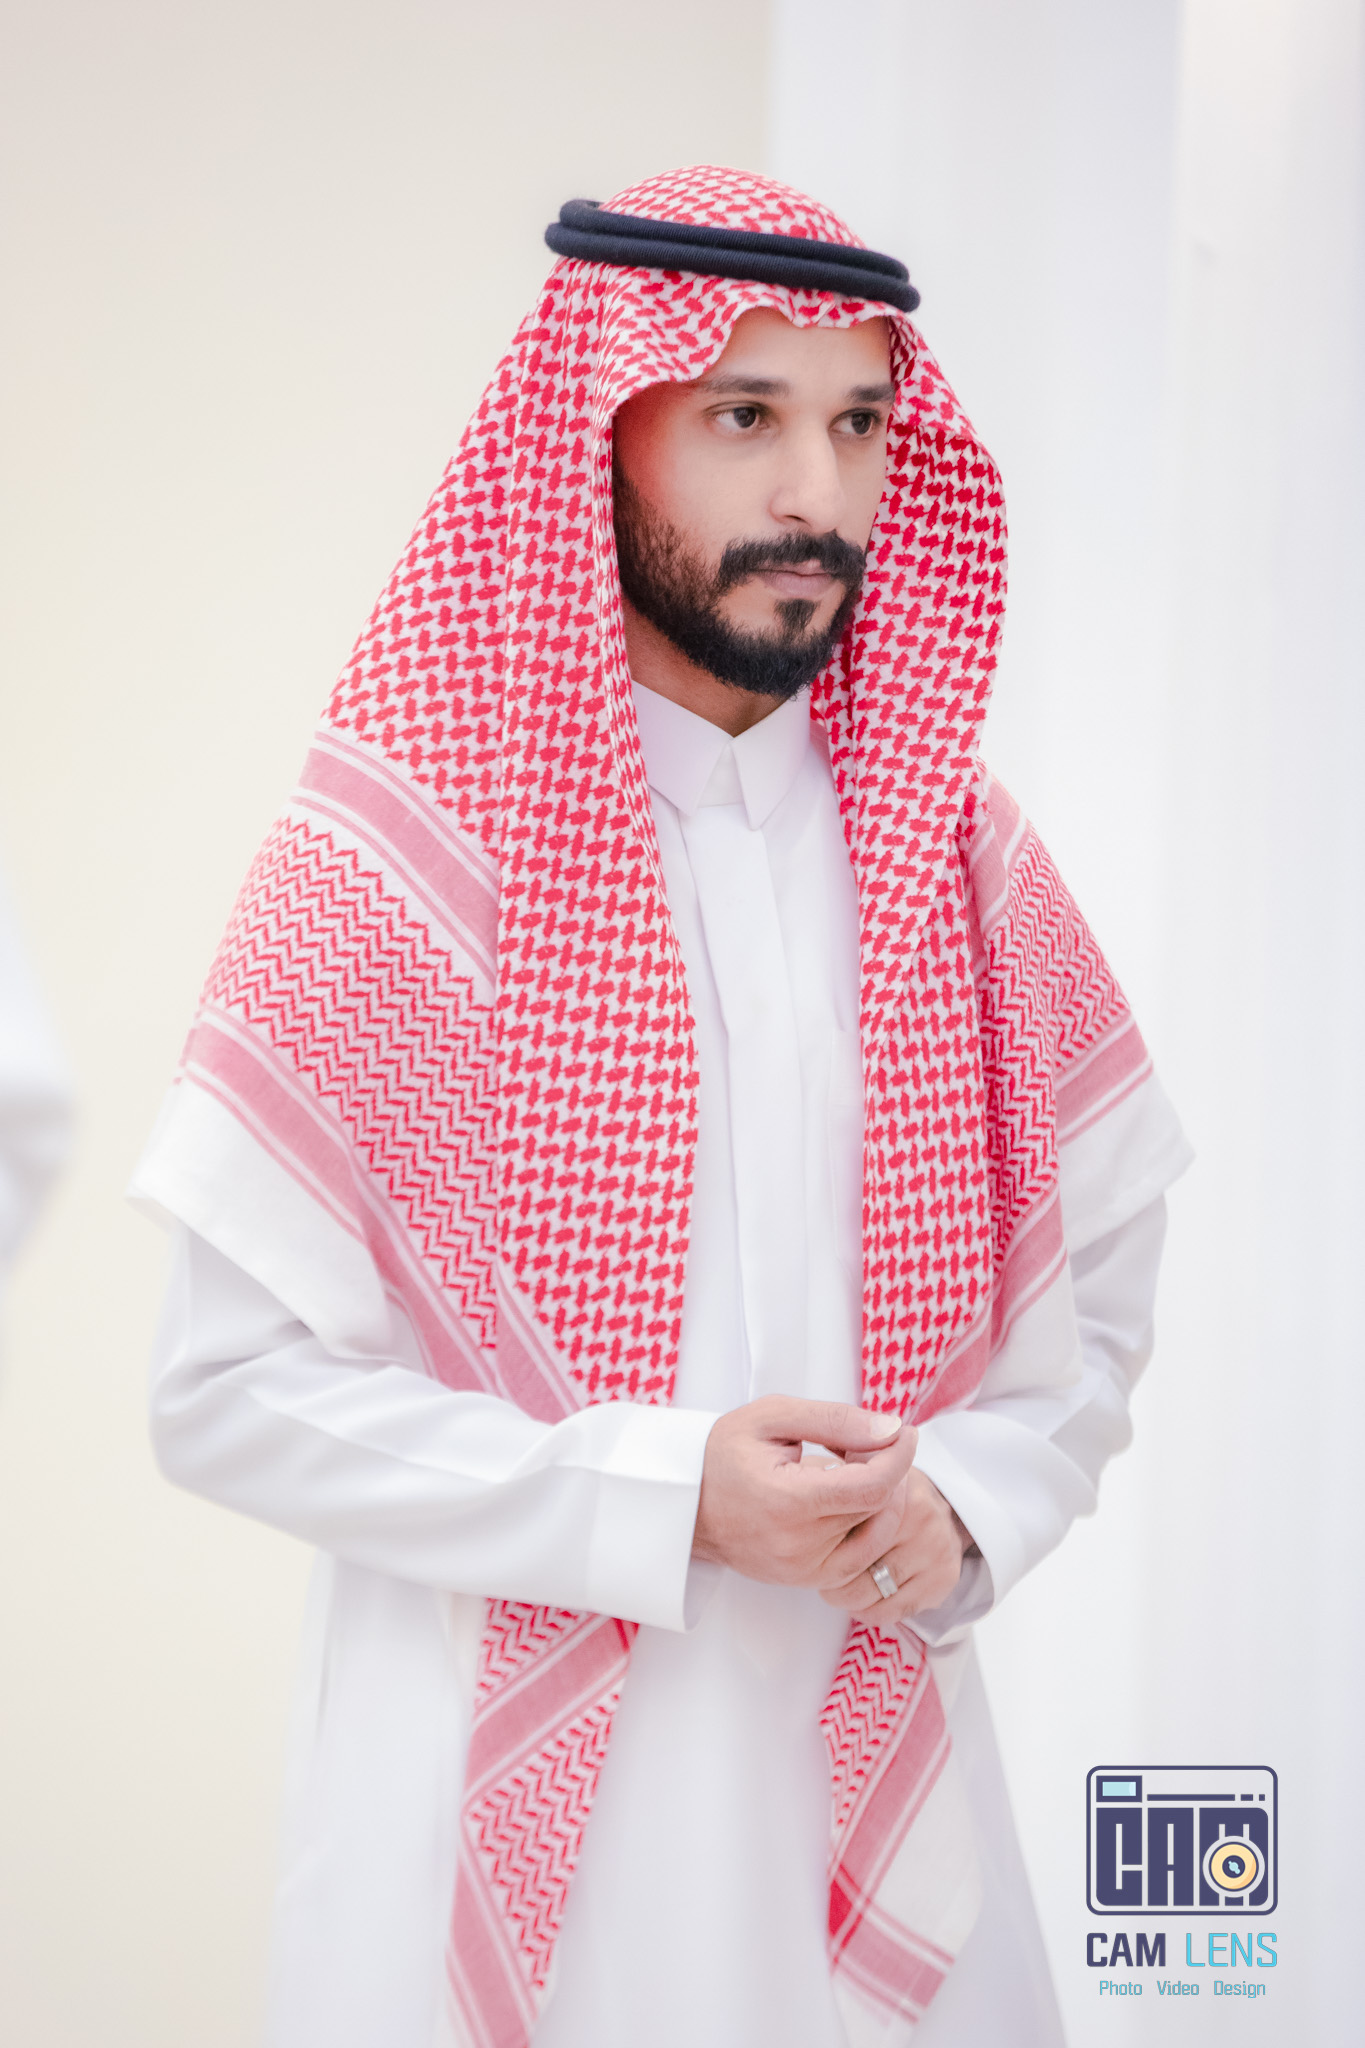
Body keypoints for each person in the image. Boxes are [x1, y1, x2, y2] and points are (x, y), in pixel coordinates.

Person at [134, 167, 1190, 2048]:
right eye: (743, 418)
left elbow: (1087, 1325)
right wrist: (660, 1498)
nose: (816, 494)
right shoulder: (397, 872)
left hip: (873, 1789)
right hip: (471, 1811)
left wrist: (964, 1503)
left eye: (857, 425)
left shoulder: (961, 869)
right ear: (596, 439)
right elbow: (222, 1394)